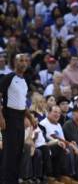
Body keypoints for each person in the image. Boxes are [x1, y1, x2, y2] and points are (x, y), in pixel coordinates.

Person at [0, 54, 29, 184]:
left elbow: (22, 103)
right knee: (9, 152)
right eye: (20, 60)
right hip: (9, 117)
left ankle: (14, 180)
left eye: (25, 61)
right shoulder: (8, 78)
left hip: (20, 118)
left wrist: (31, 117)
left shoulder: (24, 80)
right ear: (14, 62)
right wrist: (0, 118)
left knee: (18, 151)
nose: (23, 63)